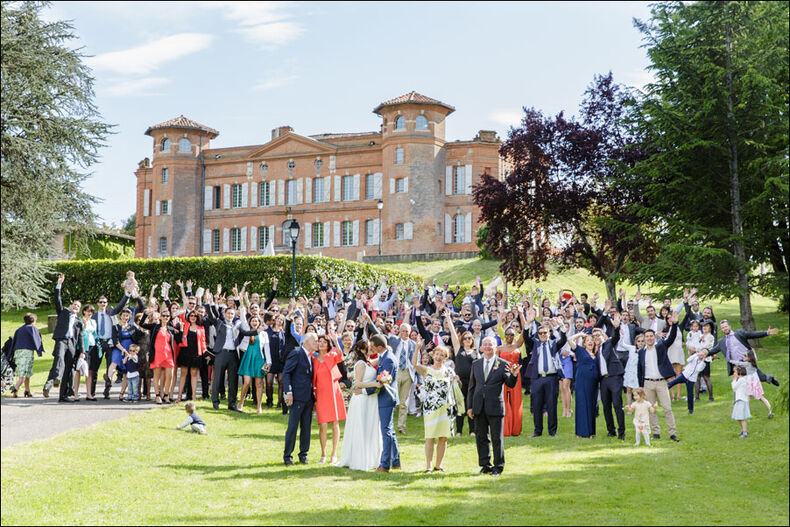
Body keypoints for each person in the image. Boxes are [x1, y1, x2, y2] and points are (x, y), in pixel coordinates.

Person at [466, 336, 520, 477]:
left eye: (491, 344)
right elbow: (472, 387)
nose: (488, 347)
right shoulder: (476, 364)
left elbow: (510, 383)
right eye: (485, 345)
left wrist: (514, 375)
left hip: (495, 406)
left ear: (496, 347)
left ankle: (498, 466)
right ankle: (485, 465)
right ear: (481, 348)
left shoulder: (503, 364)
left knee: (497, 438)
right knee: (481, 437)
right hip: (478, 406)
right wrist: (470, 407)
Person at [336, 339, 383, 471]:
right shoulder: (360, 364)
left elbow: (380, 357)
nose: (372, 348)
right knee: (361, 427)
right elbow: (358, 384)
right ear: (363, 350)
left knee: (369, 427)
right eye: (369, 346)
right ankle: (358, 459)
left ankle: (371, 458)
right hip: (361, 399)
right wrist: (375, 384)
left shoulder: (368, 362)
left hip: (370, 399)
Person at [636, 311, 681, 442]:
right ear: (644, 339)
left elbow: (671, 338)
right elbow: (640, 369)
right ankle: (655, 432)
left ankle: (672, 433)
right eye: (647, 336)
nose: (649, 338)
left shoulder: (660, 346)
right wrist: (641, 385)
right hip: (648, 383)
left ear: (654, 337)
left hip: (661, 382)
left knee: (667, 408)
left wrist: (675, 324)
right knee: (651, 409)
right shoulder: (641, 352)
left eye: (651, 336)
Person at [522, 310, 567, 437]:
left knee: (552, 405)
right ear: (538, 334)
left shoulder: (553, 343)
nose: (542, 334)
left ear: (549, 333)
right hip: (537, 378)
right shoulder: (535, 344)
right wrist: (528, 323)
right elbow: (526, 337)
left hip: (551, 378)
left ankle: (552, 431)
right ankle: (537, 431)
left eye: (544, 332)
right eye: (540, 333)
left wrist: (562, 326)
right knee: (537, 405)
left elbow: (563, 340)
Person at [412, 342, 455, 473]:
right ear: (433, 355)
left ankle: (439, 465)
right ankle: (428, 466)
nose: (439, 357)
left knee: (443, 437)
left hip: (446, 407)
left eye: (442, 355)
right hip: (431, 407)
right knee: (430, 437)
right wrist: (418, 348)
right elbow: (414, 364)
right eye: (437, 354)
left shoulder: (449, 371)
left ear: (445, 358)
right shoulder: (427, 370)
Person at [43, 274, 83, 403]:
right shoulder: (63, 313)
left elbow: (80, 337)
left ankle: (63, 395)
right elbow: (57, 300)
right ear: (71, 306)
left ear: (79, 310)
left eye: (78, 306)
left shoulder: (79, 322)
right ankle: (54, 380)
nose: (76, 307)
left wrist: (82, 351)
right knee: (59, 358)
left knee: (69, 368)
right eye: (74, 305)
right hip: (61, 340)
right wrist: (59, 285)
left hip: (71, 343)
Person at [283, 332, 319, 466]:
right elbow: (286, 373)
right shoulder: (297, 353)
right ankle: (288, 456)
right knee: (293, 427)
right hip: (297, 397)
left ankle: (303, 454)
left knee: (306, 427)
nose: (317, 343)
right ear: (307, 341)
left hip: (309, 397)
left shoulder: (312, 357)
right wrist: (289, 392)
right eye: (315, 340)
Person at [366, 334, 401, 473]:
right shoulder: (384, 357)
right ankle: (396, 462)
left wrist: (365, 391)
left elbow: (382, 382)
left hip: (387, 397)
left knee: (386, 431)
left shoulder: (389, 360)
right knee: (390, 431)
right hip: (386, 398)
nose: (371, 348)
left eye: (372, 346)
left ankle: (385, 465)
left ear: (379, 347)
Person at [312, 333, 346, 464]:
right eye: (319, 341)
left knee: (335, 423)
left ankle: (334, 454)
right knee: (323, 425)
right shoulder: (313, 359)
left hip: (333, 392)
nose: (321, 344)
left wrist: (336, 341)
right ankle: (323, 454)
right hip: (320, 393)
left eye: (324, 342)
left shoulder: (332, 356)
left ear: (327, 344)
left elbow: (340, 355)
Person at [705, 320, 780, 378]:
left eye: (726, 326)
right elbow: (714, 350)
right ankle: (741, 397)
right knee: (739, 383)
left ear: (729, 326)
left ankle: (769, 378)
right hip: (737, 365)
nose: (725, 328)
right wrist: (705, 353)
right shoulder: (722, 341)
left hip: (747, 361)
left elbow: (752, 335)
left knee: (761, 377)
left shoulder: (739, 333)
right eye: (723, 328)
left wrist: (766, 333)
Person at [138, 308, 180, 404]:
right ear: (160, 317)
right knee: (156, 376)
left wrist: (180, 330)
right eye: (164, 316)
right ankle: (157, 395)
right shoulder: (155, 327)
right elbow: (141, 324)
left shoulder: (170, 329)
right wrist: (145, 314)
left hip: (168, 354)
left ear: (169, 318)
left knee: (170, 375)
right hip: (157, 354)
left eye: (167, 316)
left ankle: (166, 395)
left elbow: (179, 339)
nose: (165, 317)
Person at [447, 317, 480, 436]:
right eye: (465, 338)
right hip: (459, 382)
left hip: (472, 382)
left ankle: (472, 430)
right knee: (459, 405)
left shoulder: (476, 353)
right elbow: (452, 333)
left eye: (469, 338)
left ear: (472, 340)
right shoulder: (458, 349)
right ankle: (459, 430)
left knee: (470, 405)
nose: (467, 340)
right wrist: (448, 319)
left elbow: (481, 367)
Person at [565, 333, 599, 438]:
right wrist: (580, 334)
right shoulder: (580, 351)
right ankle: (582, 432)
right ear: (584, 343)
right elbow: (569, 339)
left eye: (591, 340)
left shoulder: (596, 354)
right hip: (582, 382)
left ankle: (591, 431)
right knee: (582, 404)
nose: (590, 342)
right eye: (587, 340)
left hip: (593, 384)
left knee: (592, 405)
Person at [237, 315, 271, 413]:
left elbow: (267, 349)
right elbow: (243, 319)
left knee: (259, 384)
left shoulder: (264, 334)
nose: (254, 322)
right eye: (253, 321)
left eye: (256, 321)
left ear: (260, 323)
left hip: (259, 360)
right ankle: (241, 402)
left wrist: (269, 362)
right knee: (247, 382)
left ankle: (259, 406)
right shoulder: (247, 332)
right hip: (248, 359)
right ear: (250, 322)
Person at [9, 313, 45, 398]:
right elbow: (37, 340)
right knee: (24, 374)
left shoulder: (19, 330)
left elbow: (14, 342)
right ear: (33, 321)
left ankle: (27, 391)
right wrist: (39, 351)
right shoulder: (32, 328)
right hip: (27, 353)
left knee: (25, 372)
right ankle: (15, 388)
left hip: (18, 353)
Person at [730, 350, 774, 419]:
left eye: (745, 356)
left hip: (750, 383)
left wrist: (731, 361)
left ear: (749, 358)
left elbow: (739, 363)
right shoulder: (754, 363)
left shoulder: (748, 364)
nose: (743, 356)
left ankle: (745, 413)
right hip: (755, 383)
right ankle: (770, 410)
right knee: (760, 397)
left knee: (749, 397)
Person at [176, 310, 207, 403]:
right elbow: (180, 313)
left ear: (198, 318)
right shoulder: (185, 325)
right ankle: (179, 395)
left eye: (195, 316)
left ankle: (193, 396)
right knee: (183, 374)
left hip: (196, 353)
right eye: (191, 315)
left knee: (194, 375)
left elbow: (203, 342)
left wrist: (205, 352)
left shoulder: (201, 328)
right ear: (188, 317)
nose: (193, 317)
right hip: (185, 352)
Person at [666, 349, 708, 414]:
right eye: (702, 352)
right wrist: (696, 354)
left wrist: (702, 360)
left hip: (691, 379)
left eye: (704, 354)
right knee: (672, 382)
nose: (702, 354)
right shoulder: (694, 357)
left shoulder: (703, 364)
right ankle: (662, 391)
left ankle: (690, 410)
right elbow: (688, 360)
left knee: (690, 394)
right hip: (685, 375)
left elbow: (698, 369)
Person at [731, 365, 751, 438]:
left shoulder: (741, 380)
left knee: (741, 417)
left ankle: (744, 432)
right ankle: (743, 430)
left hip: (741, 400)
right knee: (738, 417)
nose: (734, 373)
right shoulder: (742, 379)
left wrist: (733, 380)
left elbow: (734, 388)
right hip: (740, 399)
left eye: (735, 372)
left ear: (739, 372)